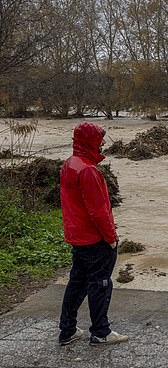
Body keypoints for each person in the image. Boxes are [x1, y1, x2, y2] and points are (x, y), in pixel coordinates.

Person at [58, 122, 128, 346]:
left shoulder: (70, 165)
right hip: (94, 239)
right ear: (92, 142)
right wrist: (111, 237)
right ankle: (100, 332)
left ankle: (67, 330)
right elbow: (98, 211)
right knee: (100, 284)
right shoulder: (88, 171)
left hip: (78, 237)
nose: (104, 143)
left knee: (77, 283)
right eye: (100, 140)